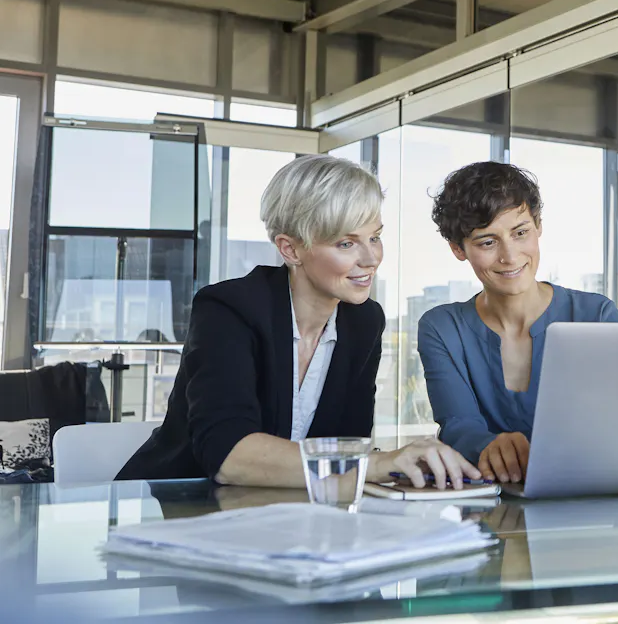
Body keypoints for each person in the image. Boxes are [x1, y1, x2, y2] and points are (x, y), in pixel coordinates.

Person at [118, 155, 479, 489]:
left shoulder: (364, 321)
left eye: (375, 237)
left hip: (281, 516)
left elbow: (347, 446)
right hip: (173, 510)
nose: (371, 258)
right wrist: (380, 464)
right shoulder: (228, 309)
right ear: (290, 249)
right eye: (346, 244)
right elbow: (229, 457)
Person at [418, 161, 618, 484]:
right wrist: (489, 446)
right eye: (487, 242)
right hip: (489, 507)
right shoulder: (442, 328)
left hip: (590, 494)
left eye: (521, 233)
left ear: (538, 226)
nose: (510, 257)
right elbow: (458, 425)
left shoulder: (596, 316)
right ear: (459, 249)